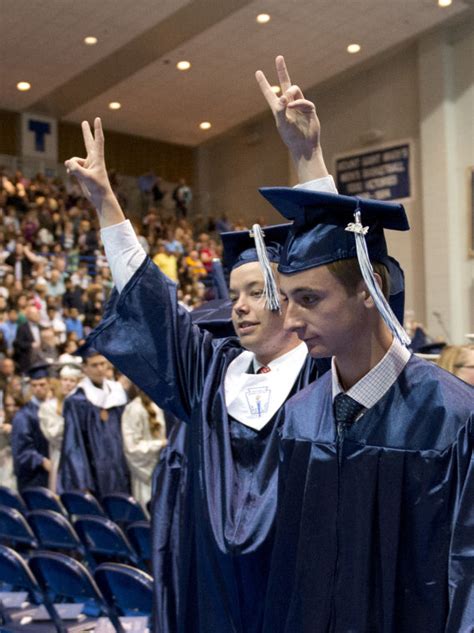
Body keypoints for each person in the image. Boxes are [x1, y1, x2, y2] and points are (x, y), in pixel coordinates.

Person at [63, 67, 332, 628]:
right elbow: (154, 310)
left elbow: (336, 276)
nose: (238, 306)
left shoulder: (326, 378)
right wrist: (108, 204)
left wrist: (309, 158)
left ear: (293, 299)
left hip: (298, 597)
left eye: (257, 292)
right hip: (211, 597)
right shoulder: (213, 374)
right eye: (233, 294)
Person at [252, 59, 474, 633]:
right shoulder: (300, 417)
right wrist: (304, 155)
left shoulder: (451, 418)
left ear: (370, 289)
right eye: (286, 299)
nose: (290, 320)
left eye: (309, 299)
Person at [58, 348, 130, 498]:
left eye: (103, 364)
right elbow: (73, 444)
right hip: (95, 471)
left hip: (120, 465)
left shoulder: (117, 393)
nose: (100, 369)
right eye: (94, 365)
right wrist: (82, 481)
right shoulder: (77, 401)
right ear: (84, 368)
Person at [121, 385, 168, 508]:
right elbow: (132, 448)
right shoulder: (133, 409)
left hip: (161, 468)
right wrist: (160, 444)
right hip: (145, 474)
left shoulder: (157, 406)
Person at [38, 363, 82, 491]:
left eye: (72, 380)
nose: (68, 384)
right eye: (65, 380)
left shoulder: (85, 405)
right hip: (61, 458)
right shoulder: (48, 407)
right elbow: (54, 436)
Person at [11, 363, 51, 490]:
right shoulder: (24, 415)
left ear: (49, 384)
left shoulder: (56, 409)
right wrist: (42, 461)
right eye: (34, 385)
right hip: (34, 478)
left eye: (42, 384)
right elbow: (21, 451)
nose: (38, 388)